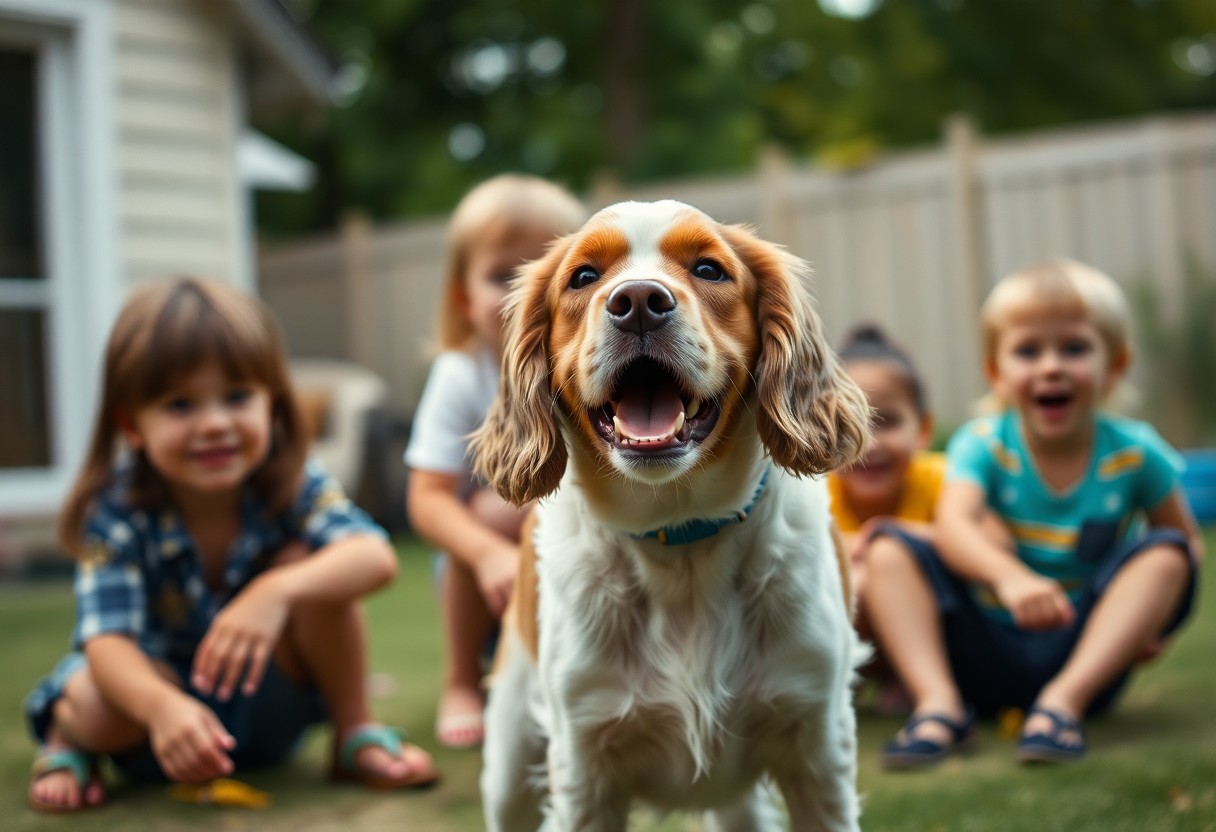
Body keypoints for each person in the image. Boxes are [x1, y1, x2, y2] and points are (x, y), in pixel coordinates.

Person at [25, 278, 438, 813]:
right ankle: (68, 743)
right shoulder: (118, 510)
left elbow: (375, 557)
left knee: (314, 567)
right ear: (132, 424)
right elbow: (107, 643)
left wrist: (275, 591)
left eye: (237, 397)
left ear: (272, 404)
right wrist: (162, 708)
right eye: (180, 405)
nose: (215, 424)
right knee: (94, 699)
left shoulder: (293, 483)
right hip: (147, 726)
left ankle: (354, 732)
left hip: (266, 706)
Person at [866, 259, 1203, 769]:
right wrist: (1011, 579)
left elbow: (1187, 544)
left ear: (1114, 364)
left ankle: (1061, 707)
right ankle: (939, 706)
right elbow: (954, 528)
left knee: (1168, 557)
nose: (1051, 367)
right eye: (1028, 350)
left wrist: (1154, 625)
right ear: (997, 372)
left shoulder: (1137, 453)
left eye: (1074, 347)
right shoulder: (983, 444)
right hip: (980, 648)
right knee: (889, 549)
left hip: (1084, 653)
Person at [405, 174, 585, 749]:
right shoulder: (461, 373)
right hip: (488, 583)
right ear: (462, 296)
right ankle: (461, 679)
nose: (527, 287)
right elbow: (427, 498)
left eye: (549, 268)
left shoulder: (589, 360)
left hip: (579, 570)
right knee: (487, 511)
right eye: (503, 275)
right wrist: (485, 556)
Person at [825, 324, 943, 713]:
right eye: (851, 421)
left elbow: (984, 541)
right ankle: (843, 681)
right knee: (854, 582)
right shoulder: (815, 491)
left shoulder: (941, 480)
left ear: (923, 430)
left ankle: (910, 677)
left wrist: (902, 536)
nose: (869, 443)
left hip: (934, 627)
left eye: (887, 421)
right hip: (845, 636)